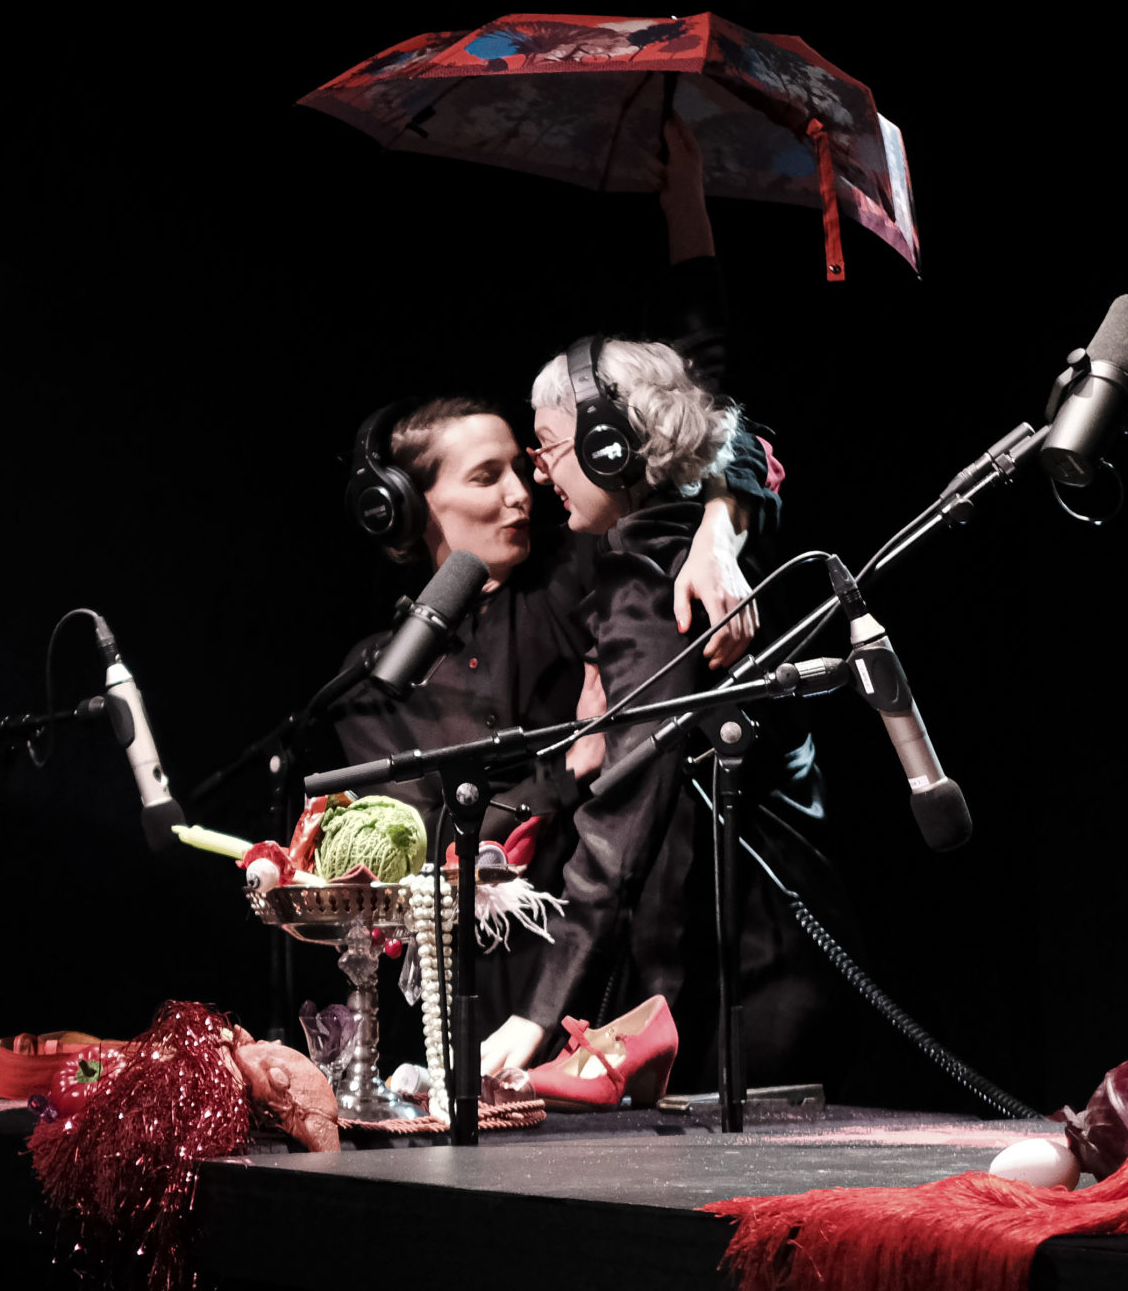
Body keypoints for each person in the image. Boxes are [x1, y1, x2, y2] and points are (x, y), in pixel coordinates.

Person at [319, 389, 782, 1056]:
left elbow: (729, 436)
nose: (520, 494)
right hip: (482, 995)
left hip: (616, 969)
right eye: (486, 477)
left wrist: (716, 535)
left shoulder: (580, 575)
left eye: (519, 468)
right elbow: (423, 846)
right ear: (408, 507)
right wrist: (566, 770)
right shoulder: (372, 678)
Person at [478, 337, 857, 1094]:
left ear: (610, 444)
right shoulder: (703, 540)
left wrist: (534, 1016)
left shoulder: (652, 575)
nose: (541, 473)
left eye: (549, 446)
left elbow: (623, 819)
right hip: (777, 957)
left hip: (740, 976)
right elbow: (740, 437)